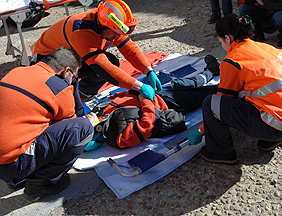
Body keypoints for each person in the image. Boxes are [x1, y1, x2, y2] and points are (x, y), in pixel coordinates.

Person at [187, 14, 282, 164]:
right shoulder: (266, 48)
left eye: (221, 42)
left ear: (227, 38)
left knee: (211, 103)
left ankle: (221, 152)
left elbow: (222, 102)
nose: (223, 46)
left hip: (278, 125)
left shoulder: (233, 61)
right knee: (250, 92)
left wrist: (201, 130)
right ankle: (271, 139)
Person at [0, 47, 94, 201]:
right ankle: (41, 183)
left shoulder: (17, 72)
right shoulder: (58, 86)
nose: (73, 82)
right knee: (82, 128)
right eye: (74, 77)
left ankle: (17, 178)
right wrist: (88, 121)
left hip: (5, 156)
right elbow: (70, 125)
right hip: (10, 164)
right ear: (66, 72)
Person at [30, 0, 161, 102]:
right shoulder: (81, 30)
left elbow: (129, 49)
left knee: (112, 62)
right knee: (65, 82)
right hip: (47, 60)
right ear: (104, 25)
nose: (116, 37)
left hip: (70, 55)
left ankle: (83, 93)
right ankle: (68, 99)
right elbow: (102, 67)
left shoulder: (108, 24)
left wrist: (148, 71)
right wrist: (138, 86)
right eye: (114, 33)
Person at [85, 62, 220, 150]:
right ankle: (230, 87)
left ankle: (210, 71)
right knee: (201, 94)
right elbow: (148, 124)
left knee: (185, 83)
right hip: (166, 105)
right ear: (91, 132)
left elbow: (117, 97)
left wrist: (137, 89)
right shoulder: (117, 136)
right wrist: (145, 100)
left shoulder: (98, 110)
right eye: (84, 122)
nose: (85, 116)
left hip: (156, 95)